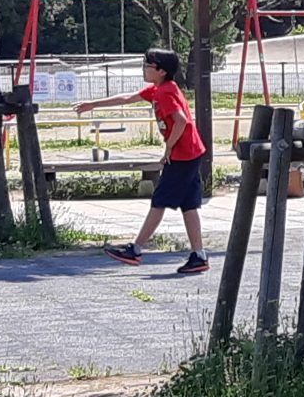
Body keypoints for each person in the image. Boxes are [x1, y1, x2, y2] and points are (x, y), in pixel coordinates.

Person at [74, 49, 211, 274]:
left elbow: (181, 121)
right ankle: (199, 256)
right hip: (191, 153)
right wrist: (93, 104)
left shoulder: (165, 92)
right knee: (189, 204)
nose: (145, 68)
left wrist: (169, 147)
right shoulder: (159, 89)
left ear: (162, 71)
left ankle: (135, 250)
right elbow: (127, 98)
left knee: (159, 201)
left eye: (149, 65)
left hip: (182, 155)